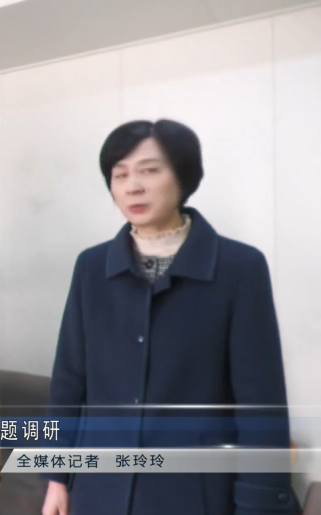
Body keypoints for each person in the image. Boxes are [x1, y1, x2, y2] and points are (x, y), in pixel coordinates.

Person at [41, 119, 299, 515]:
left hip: (196, 495)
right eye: (120, 175)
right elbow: (68, 383)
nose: (133, 186)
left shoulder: (239, 268)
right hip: (99, 491)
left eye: (149, 170)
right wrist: (57, 478)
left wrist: (258, 503)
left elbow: (260, 405)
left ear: (183, 176)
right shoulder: (91, 267)